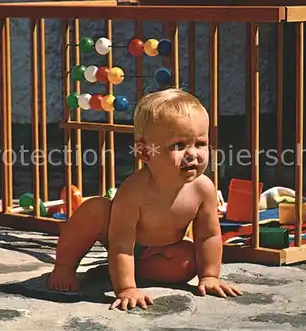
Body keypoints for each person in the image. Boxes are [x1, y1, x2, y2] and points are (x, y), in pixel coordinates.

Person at [48, 88, 241, 310]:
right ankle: (64, 266)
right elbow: (121, 245)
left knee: (187, 262)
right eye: (178, 145)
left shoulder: (203, 188)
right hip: (120, 240)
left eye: (200, 143)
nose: (193, 154)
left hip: (157, 251)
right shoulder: (134, 192)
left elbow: (208, 235)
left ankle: (123, 271)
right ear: (144, 152)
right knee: (95, 209)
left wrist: (209, 275)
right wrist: (126, 289)